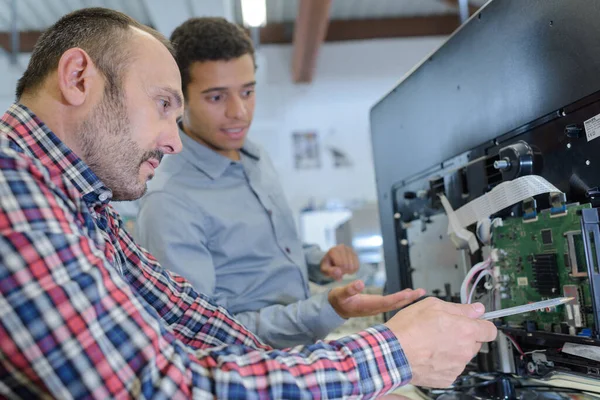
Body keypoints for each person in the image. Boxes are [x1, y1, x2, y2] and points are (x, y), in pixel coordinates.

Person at [0, 7, 497, 398]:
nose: (173, 142)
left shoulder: (84, 202)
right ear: (79, 77)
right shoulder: (13, 190)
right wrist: (389, 354)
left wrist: (352, 381)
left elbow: (190, 318)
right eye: (164, 104)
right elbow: (157, 387)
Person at [135, 17, 424, 349]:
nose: (240, 112)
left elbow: (269, 247)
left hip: (301, 349)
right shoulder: (169, 202)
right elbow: (201, 332)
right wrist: (326, 309)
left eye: (248, 91)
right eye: (217, 98)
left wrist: (318, 261)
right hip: (252, 371)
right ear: (180, 99)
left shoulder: (253, 156)